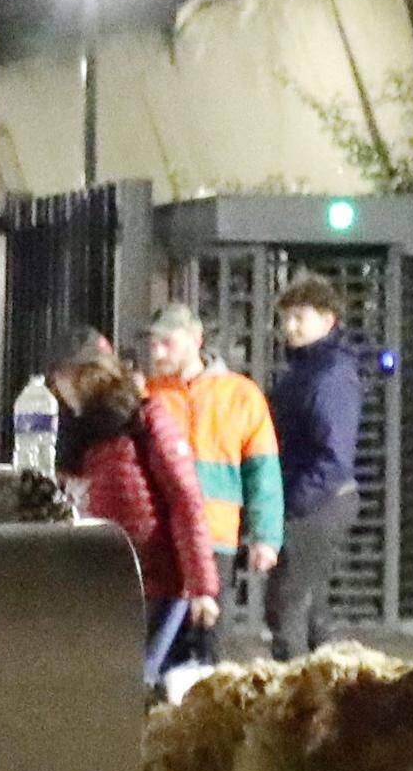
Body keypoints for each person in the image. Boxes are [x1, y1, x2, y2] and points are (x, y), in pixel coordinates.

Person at [53, 360, 216, 689]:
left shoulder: (144, 420)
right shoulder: (80, 434)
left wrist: (202, 587)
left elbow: (186, 502)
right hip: (106, 579)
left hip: (157, 579)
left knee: (136, 682)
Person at [140, 303, 284, 666]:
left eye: (166, 343)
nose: (157, 353)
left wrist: (266, 536)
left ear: (195, 340)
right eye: (153, 344)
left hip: (213, 536)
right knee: (161, 637)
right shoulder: (148, 394)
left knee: (208, 640)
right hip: (164, 535)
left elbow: (263, 470)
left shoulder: (241, 396)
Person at [260, 280, 363, 659]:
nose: (290, 327)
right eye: (285, 318)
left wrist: (291, 504)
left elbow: (332, 455)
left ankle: (298, 696)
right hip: (315, 498)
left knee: (288, 604)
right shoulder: (310, 370)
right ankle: (327, 692)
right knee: (310, 608)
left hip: (316, 503)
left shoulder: (329, 375)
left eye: (299, 317)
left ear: (327, 319)